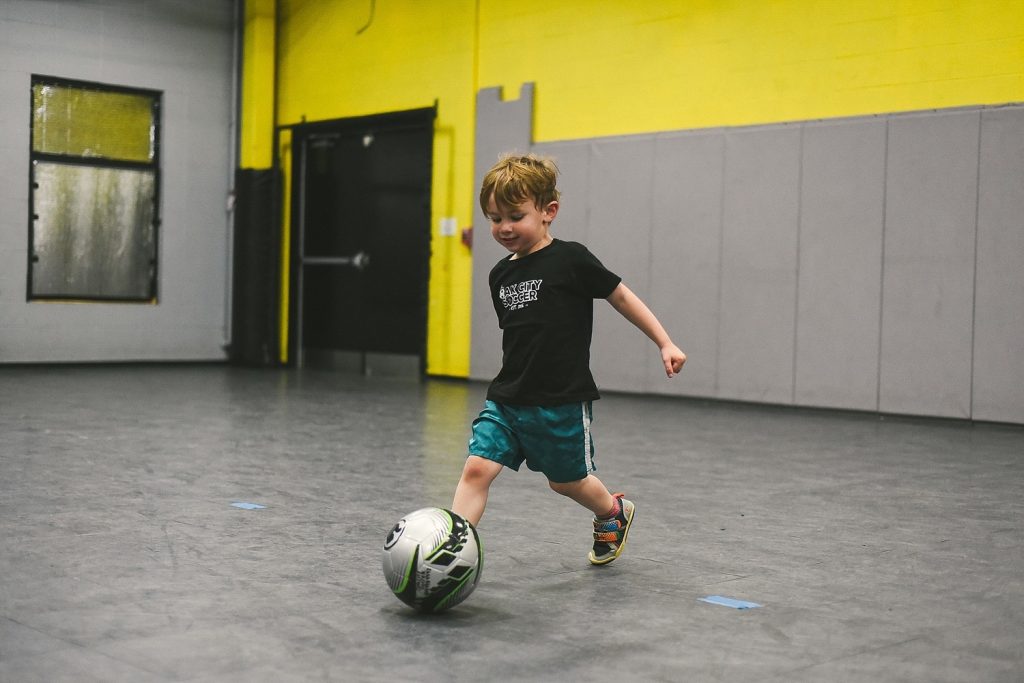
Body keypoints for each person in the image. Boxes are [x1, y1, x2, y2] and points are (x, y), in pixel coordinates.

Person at [451, 153, 686, 565]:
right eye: (493, 217)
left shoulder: (571, 259)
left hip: (558, 400)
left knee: (566, 482)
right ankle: (450, 548)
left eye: (515, 215)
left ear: (548, 212)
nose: (503, 227)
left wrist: (664, 341)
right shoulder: (499, 274)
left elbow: (621, 296)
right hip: (508, 396)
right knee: (476, 469)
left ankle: (612, 513)